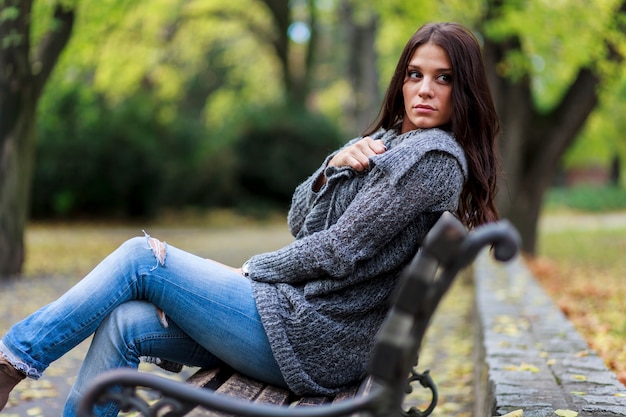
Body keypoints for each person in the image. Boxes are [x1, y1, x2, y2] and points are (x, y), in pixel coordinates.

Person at [0, 21, 500, 416]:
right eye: (415, 74)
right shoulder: (394, 144)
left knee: (140, 259)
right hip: (301, 327)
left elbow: (337, 249)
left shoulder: (431, 157)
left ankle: (11, 361)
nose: (424, 89)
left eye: (443, 78)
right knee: (124, 321)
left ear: (465, 90)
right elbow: (304, 222)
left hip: (314, 339)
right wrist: (333, 168)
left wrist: (253, 269)